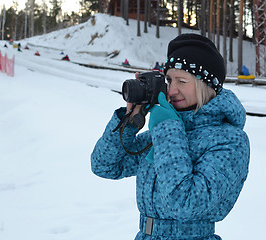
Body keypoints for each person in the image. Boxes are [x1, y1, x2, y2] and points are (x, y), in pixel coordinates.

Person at [91, 33, 250, 240]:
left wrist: (167, 127)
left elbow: (185, 204)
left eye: (182, 81)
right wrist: (130, 121)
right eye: (169, 80)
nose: (172, 90)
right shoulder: (169, 132)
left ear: (206, 85)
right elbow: (105, 166)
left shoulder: (230, 141)